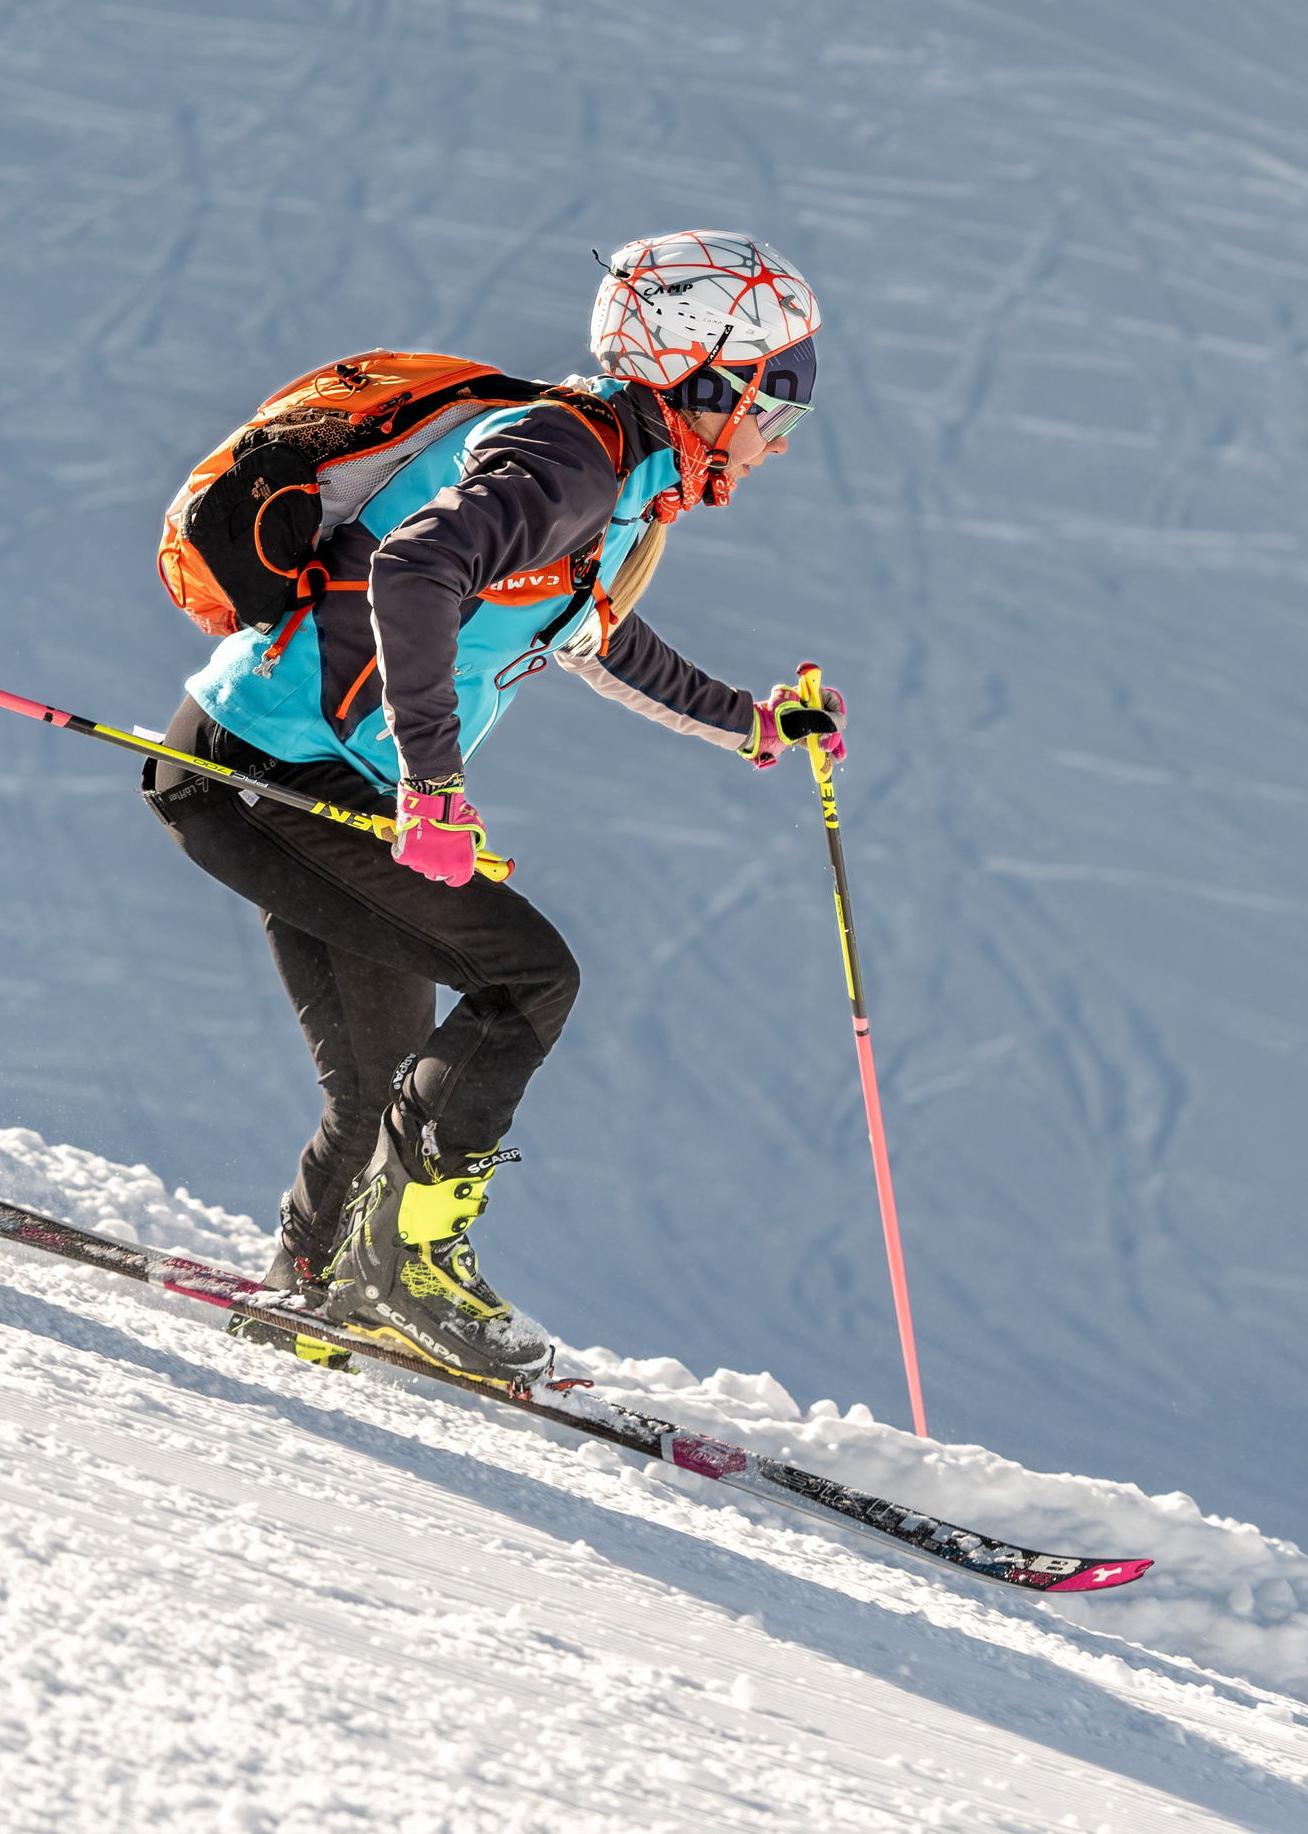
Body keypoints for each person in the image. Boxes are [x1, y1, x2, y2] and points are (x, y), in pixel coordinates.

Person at [142, 230, 847, 1384]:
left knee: (382, 1071)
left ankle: (308, 1292)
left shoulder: (610, 484)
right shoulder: (566, 458)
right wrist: (434, 785)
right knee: (527, 981)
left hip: (288, 774)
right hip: (271, 774)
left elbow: (590, 640)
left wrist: (749, 722)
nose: (772, 441)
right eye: (774, 407)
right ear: (700, 377)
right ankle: (405, 1270)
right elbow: (414, 571)